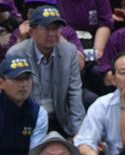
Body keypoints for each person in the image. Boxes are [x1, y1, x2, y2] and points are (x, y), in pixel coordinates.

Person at [6, 5, 85, 137]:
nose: (53, 33)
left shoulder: (69, 52)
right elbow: (13, 98)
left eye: (56, 28)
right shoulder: (16, 53)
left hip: (59, 119)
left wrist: (80, 134)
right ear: (31, 32)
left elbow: (74, 93)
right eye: (46, 28)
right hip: (28, 121)